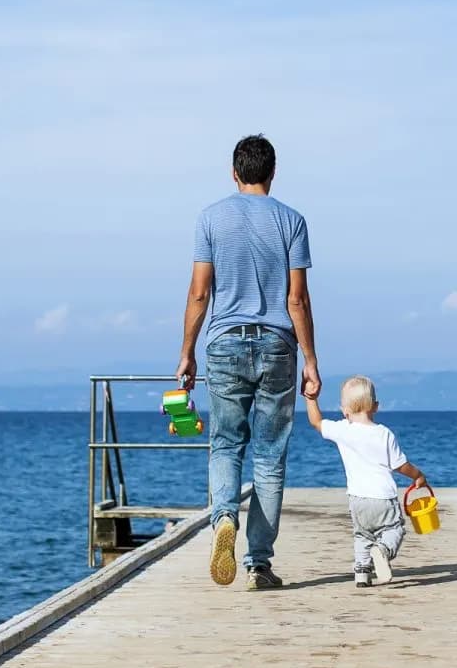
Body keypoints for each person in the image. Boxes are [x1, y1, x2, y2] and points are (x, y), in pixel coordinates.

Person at [176, 134, 321, 590]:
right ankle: (259, 564)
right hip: (278, 346)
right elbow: (297, 299)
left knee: (225, 445)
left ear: (234, 172)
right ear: (272, 173)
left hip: (224, 343)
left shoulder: (211, 219)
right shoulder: (292, 221)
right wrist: (311, 361)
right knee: (271, 456)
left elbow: (200, 292)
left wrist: (186, 353)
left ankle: (224, 519)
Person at [304, 374, 428, 588]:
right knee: (394, 529)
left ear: (344, 410)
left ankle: (361, 572)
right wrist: (418, 476)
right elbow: (400, 465)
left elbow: (316, 422)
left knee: (362, 534)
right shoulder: (384, 434)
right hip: (383, 498)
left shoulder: (343, 430)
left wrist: (309, 396)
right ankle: (383, 550)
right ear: (376, 406)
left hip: (357, 499)